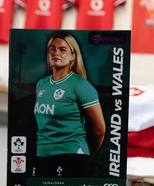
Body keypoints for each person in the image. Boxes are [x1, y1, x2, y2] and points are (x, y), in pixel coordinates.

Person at [32, 32, 106, 178]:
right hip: (42, 155)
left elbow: (99, 130)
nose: (56, 53)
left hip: (71, 154)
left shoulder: (80, 85)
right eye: (52, 49)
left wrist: (84, 155)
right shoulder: (42, 84)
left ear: (73, 55)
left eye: (62, 49)